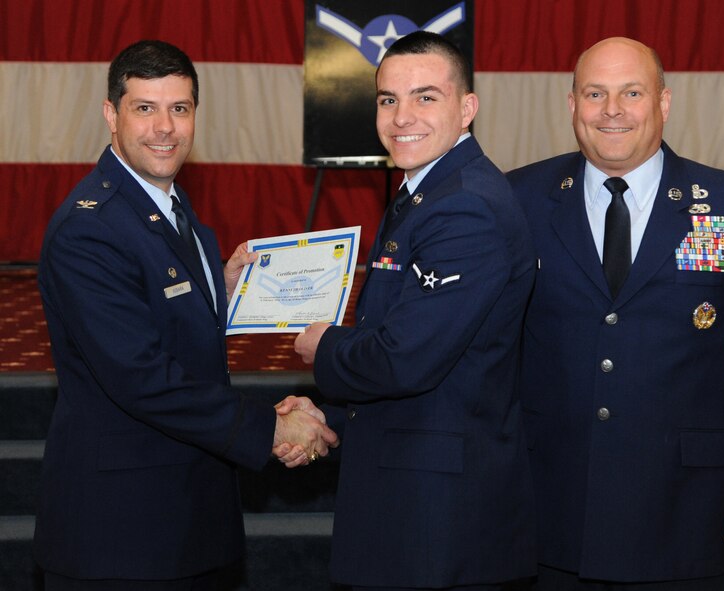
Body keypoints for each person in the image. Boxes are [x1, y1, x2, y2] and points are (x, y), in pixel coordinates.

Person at [507, 37, 724, 590]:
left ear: (663, 103)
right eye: (595, 93)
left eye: (632, 92)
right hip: (549, 509)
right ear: (572, 105)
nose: (612, 110)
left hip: (688, 516)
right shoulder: (519, 200)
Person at [35, 39, 338, 590]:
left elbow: (161, 315)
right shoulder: (92, 227)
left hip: (186, 520)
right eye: (144, 108)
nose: (164, 128)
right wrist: (270, 426)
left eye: (180, 108)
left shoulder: (174, 209)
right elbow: (140, 377)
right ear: (111, 115)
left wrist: (218, 291)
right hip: (122, 536)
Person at [293, 31, 537, 590]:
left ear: (467, 108)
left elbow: (405, 359)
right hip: (416, 497)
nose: (403, 116)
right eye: (388, 99)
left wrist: (323, 346)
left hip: (441, 518)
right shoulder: (425, 192)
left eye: (426, 97)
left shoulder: (466, 206)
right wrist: (328, 416)